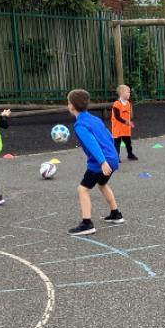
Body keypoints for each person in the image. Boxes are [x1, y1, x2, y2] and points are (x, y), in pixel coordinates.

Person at [66, 88, 124, 236]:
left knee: (82, 189)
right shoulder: (95, 119)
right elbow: (109, 136)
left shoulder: (80, 125)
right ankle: (116, 214)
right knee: (102, 184)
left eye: (68, 102)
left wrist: (102, 162)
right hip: (112, 157)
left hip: (101, 161)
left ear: (72, 106)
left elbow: (92, 144)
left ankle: (87, 224)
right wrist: (112, 156)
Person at [111, 84, 139, 161]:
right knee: (117, 143)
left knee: (128, 143)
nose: (129, 93)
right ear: (122, 93)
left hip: (126, 128)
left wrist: (130, 121)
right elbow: (117, 117)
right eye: (127, 92)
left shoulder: (128, 103)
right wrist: (126, 121)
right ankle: (116, 157)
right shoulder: (117, 104)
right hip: (117, 128)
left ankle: (130, 154)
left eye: (129, 92)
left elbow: (129, 115)